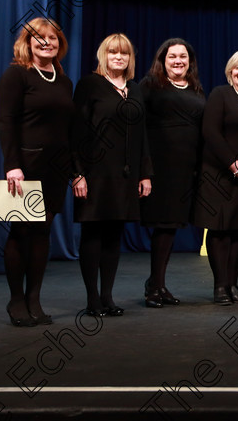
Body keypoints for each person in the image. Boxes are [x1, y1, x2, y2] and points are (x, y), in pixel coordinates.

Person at [0, 18, 74, 326]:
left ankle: (34, 299)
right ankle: (16, 300)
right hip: (25, 167)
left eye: (53, 38)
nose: (46, 42)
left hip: (56, 169)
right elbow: (6, 122)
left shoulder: (64, 80)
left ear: (60, 43)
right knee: (21, 231)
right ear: (27, 43)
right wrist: (12, 165)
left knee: (43, 232)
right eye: (39, 38)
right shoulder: (16, 74)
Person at [72, 33, 152, 317]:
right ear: (102, 55)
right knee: (93, 233)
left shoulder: (135, 88)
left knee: (114, 235)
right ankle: (92, 298)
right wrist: (77, 173)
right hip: (94, 174)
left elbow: (142, 135)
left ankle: (107, 295)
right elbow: (76, 132)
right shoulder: (89, 85)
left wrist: (145, 174)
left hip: (126, 174)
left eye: (124, 53)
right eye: (113, 53)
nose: (119, 57)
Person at [195, 50, 238, 305]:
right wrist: (233, 165)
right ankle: (220, 286)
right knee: (219, 230)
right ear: (230, 72)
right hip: (218, 173)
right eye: (237, 67)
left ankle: (234, 284)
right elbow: (210, 132)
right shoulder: (220, 95)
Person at [139, 38, 205, 308]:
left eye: (183, 56)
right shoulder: (150, 85)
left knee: (171, 229)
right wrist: (144, 170)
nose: (178, 61)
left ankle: (159, 283)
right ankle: (154, 286)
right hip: (160, 168)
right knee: (163, 226)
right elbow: (138, 126)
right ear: (162, 60)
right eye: (172, 56)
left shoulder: (197, 89)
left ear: (190, 61)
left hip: (186, 170)